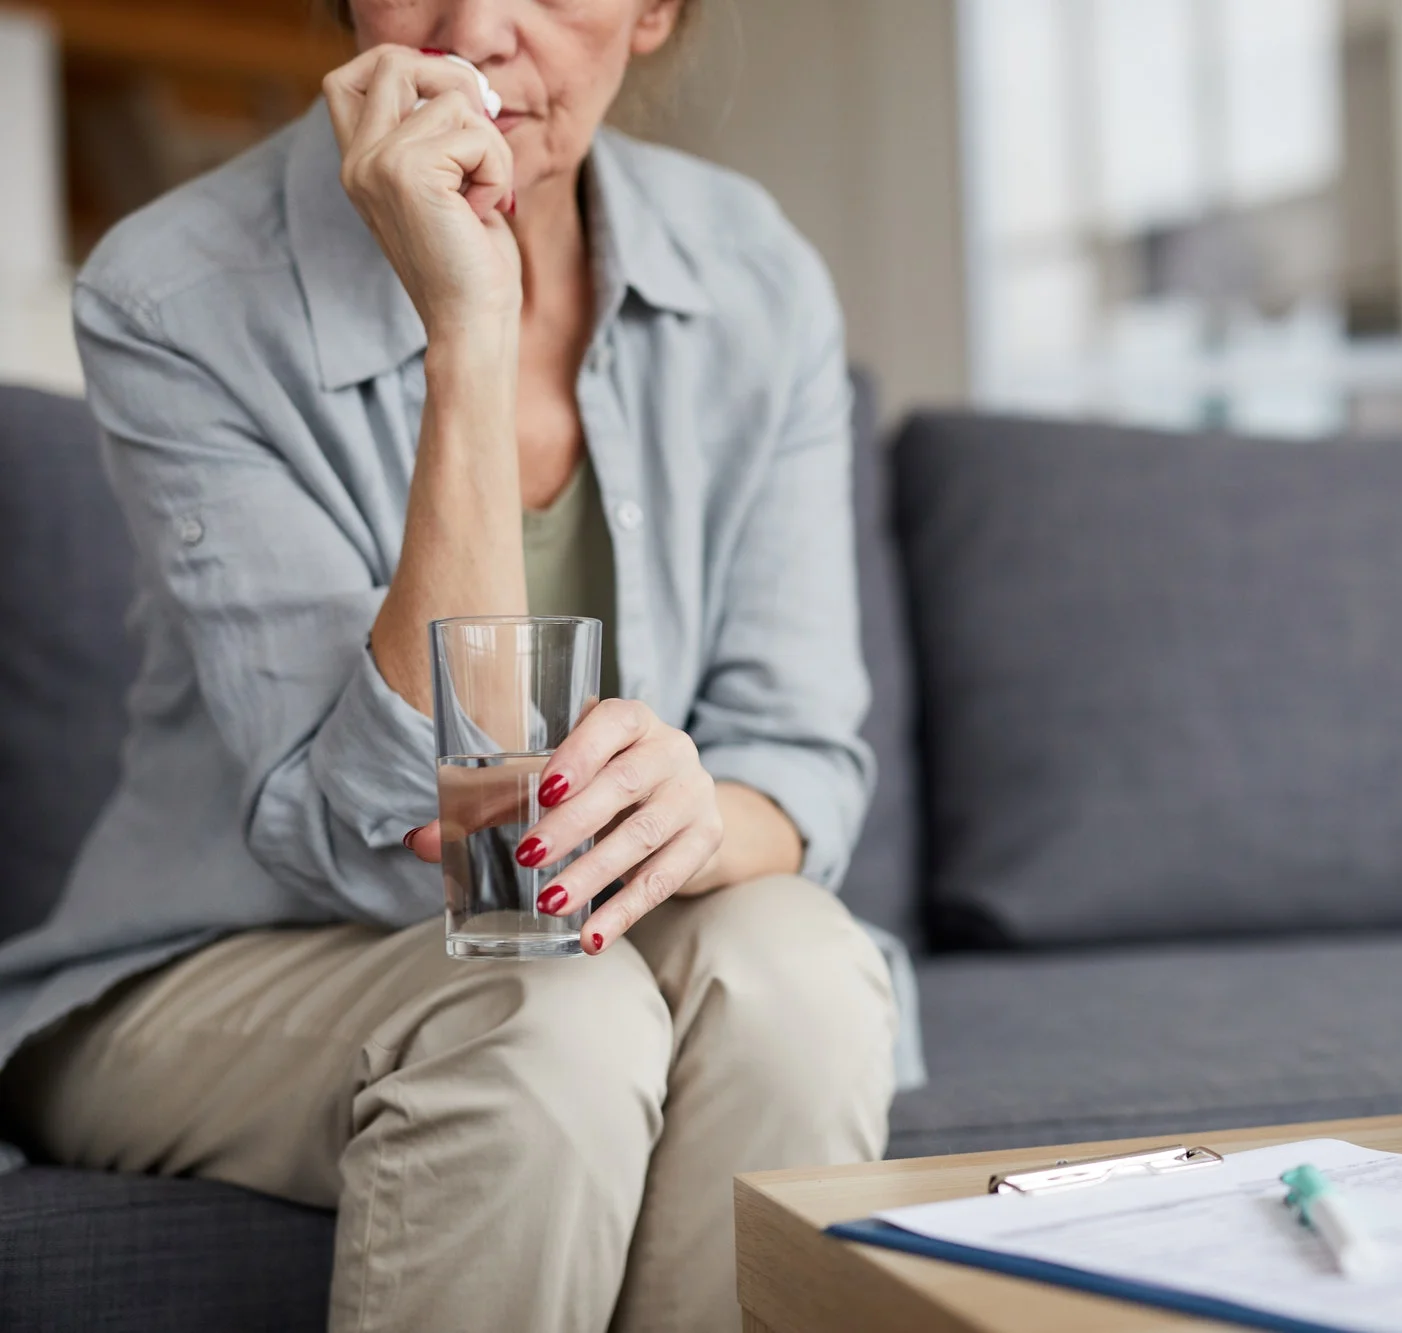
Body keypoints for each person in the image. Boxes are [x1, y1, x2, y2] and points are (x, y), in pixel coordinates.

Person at [0, 1, 903, 1328]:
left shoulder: (751, 270)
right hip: (222, 959)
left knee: (804, 975)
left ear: (654, 13)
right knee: (545, 1020)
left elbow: (803, 756)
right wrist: (468, 329)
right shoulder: (175, 291)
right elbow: (371, 842)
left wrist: (678, 820)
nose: (478, 28)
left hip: (589, 946)